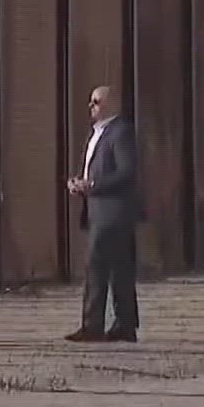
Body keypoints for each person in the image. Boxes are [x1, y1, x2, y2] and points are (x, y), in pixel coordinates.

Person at [65, 84, 141, 343]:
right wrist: (79, 183)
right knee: (120, 269)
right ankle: (125, 325)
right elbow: (94, 169)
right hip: (98, 208)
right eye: (91, 102)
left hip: (113, 211)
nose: (91, 106)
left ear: (110, 104)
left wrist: (94, 186)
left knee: (96, 267)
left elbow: (126, 171)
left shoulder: (120, 132)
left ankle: (92, 325)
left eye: (96, 102)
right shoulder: (97, 133)